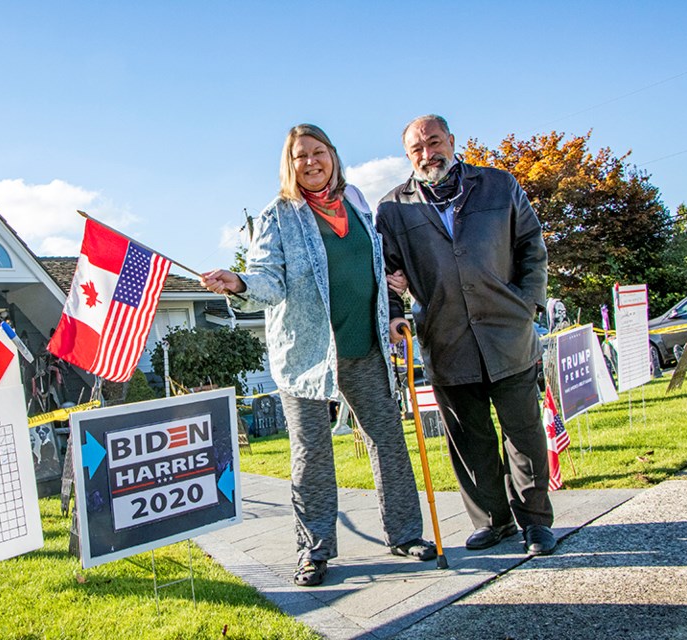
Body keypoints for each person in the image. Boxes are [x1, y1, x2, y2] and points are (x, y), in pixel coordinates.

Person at [201, 124, 435, 587]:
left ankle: (405, 533)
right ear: (288, 165)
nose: (310, 162)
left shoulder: (358, 204)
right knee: (312, 454)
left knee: (387, 440)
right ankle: (315, 550)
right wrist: (242, 284)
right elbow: (269, 280)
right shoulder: (278, 216)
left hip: (363, 346)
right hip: (307, 356)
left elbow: (375, 270)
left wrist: (390, 308)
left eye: (318, 152)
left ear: (333, 155)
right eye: (299, 156)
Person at [375, 114, 556, 556]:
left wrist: (526, 302)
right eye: (416, 148)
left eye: (434, 142)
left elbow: (531, 246)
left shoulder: (498, 185)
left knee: (523, 432)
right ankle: (493, 521)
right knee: (469, 437)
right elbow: (387, 274)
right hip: (446, 337)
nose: (427, 153)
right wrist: (397, 314)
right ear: (408, 155)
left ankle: (535, 523)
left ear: (452, 141)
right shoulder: (393, 208)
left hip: (507, 332)